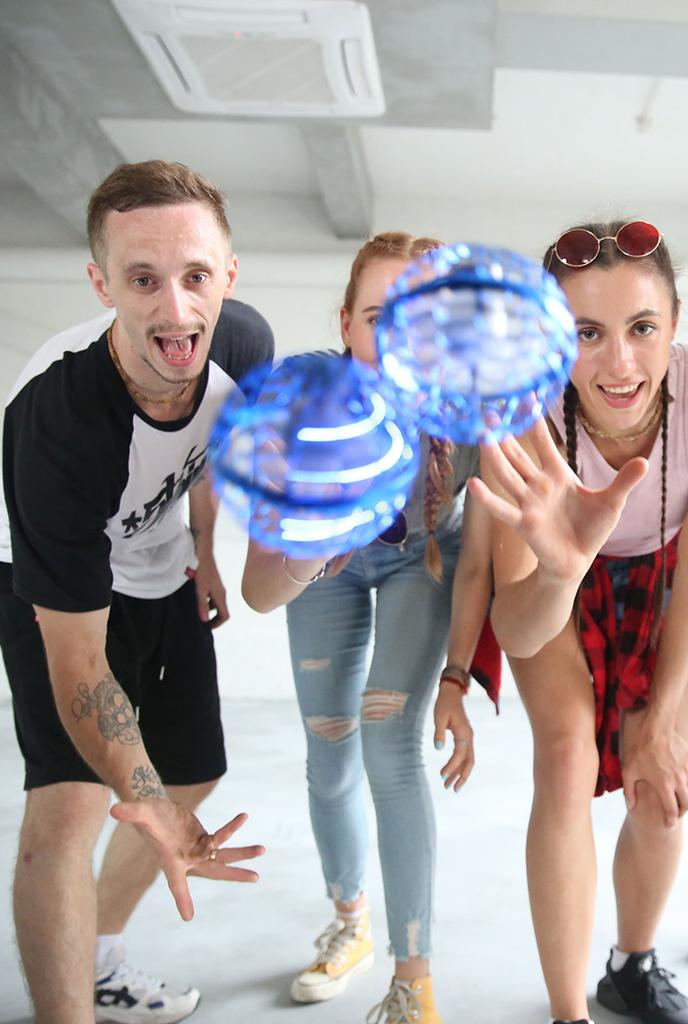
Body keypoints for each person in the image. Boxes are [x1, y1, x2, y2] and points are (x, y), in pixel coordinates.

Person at [469, 220, 688, 1024]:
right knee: (567, 756)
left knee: (660, 783)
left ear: (675, 323)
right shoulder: (515, 411)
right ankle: (569, 1012)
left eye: (642, 328)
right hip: (556, 586)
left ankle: (632, 968)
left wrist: (663, 720)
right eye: (586, 334)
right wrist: (561, 567)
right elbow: (519, 628)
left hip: (666, 581)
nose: (620, 364)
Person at [1, 160, 270, 1024]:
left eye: (196, 276)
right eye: (143, 280)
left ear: (229, 275)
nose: (176, 309)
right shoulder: (59, 421)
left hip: (161, 559)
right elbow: (80, 663)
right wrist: (138, 794)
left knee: (190, 774)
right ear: (102, 283)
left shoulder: (243, 345)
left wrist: (207, 550)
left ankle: (99, 957)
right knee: (72, 804)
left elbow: (207, 449)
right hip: (50, 574)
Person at [241, 231, 491, 1024]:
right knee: (329, 748)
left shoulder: (473, 415)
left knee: (389, 745)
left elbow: (482, 563)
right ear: (346, 324)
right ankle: (350, 922)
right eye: (381, 318)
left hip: (428, 561)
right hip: (330, 568)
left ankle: (413, 979)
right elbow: (258, 590)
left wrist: (457, 676)